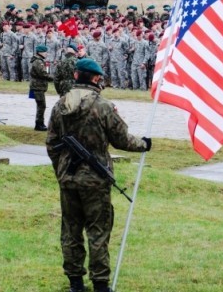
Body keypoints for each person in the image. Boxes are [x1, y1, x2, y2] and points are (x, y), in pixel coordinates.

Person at [46, 58, 151, 292]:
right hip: (95, 180)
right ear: (95, 79)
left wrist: (61, 170)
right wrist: (144, 144)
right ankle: (100, 284)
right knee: (98, 230)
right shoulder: (103, 106)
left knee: (71, 229)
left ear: (75, 76)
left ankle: (75, 282)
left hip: (68, 179)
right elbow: (122, 140)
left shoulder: (60, 105)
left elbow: (52, 143)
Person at [30, 45, 54, 131]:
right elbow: (43, 74)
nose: (46, 54)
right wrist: (53, 78)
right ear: (40, 52)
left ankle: (40, 123)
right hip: (38, 87)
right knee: (41, 105)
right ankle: (39, 124)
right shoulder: (38, 62)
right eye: (45, 52)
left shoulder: (39, 61)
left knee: (41, 105)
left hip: (38, 86)